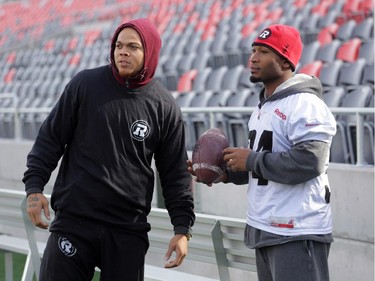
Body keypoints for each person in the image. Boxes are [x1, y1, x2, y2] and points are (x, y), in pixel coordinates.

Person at [23, 18, 195, 281]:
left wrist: (182, 228)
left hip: (127, 230)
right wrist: (34, 189)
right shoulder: (85, 84)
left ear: (149, 52)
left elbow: (175, 174)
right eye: (119, 45)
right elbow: (50, 139)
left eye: (133, 47)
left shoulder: (164, 106)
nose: (123, 51)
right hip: (74, 222)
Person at [188, 24, 336, 281]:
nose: (253, 58)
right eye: (253, 50)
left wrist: (252, 159)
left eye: (264, 51)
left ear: (284, 60)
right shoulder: (264, 106)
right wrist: (227, 174)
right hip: (266, 228)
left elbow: (310, 161)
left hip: (296, 230)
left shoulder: (306, 103)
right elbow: (264, 167)